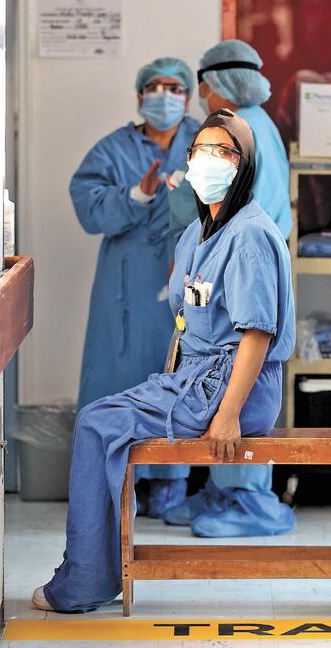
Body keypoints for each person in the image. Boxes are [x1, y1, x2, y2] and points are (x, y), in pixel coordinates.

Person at [32, 109, 295, 613]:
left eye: (223, 151)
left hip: (236, 387)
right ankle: (97, 568)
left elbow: (257, 334)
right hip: (198, 379)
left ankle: (86, 580)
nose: (208, 160)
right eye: (200, 150)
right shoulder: (199, 232)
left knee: (97, 425)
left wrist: (228, 414)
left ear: (244, 165)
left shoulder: (249, 235)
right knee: (98, 421)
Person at [162, 40, 295, 538]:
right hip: (230, 275)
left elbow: (237, 213)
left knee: (240, 380)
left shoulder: (243, 130)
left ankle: (248, 501)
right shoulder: (257, 125)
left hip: (244, 273)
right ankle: (223, 491)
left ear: (212, 83)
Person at [70, 57, 199, 517]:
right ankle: (118, 480)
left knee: (179, 371)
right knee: (117, 372)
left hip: (187, 272)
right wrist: (138, 195)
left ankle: (171, 479)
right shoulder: (113, 149)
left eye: (175, 88)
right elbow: (88, 208)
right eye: (155, 87)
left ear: (189, 96)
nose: (165, 96)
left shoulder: (204, 140)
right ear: (140, 95)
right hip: (126, 281)